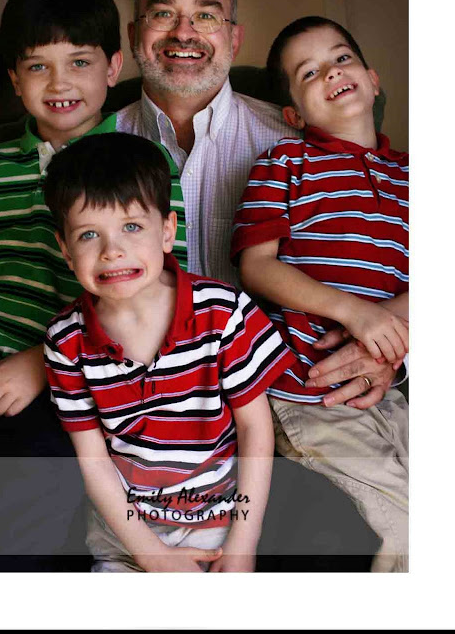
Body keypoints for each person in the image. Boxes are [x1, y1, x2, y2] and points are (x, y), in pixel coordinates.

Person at [0, 0, 186, 564]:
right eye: (38, 66)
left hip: (63, 381)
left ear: (113, 67)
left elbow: (161, 294)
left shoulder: (144, 165)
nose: (59, 83)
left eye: (79, 62)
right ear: (14, 79)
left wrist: (40, 363)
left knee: (16, 507)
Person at [117, 0, 397, 409]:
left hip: (281, 390)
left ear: (234, 37)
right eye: (163, 13)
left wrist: (390, 352)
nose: (184, 32)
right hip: (141, 397)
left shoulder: (304, 140)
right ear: (133, 34)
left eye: (206, 15)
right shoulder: (94, 149)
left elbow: (382, 258)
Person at [43, 132, 299, 572]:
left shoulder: (223, 312)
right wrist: (151, 555)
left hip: (217, 521)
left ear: (167, 231)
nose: (112, 251)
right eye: (88, 235)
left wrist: (244, 542)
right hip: (125, 530)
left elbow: (256, 430)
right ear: (66, 250)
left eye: (131, 227)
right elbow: (94, 459)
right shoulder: (66, 340)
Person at [231, 16, 409, 571]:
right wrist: (352, 312)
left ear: (373, 81)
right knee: (402, 522)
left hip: (391, 391)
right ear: (293, 115)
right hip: (306, 392)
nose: (332, 72)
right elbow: (257, 266)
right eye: (309, 72)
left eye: (342, 58)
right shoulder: (285, 163)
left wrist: (389, 323)